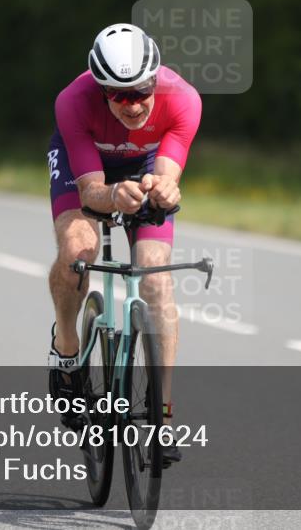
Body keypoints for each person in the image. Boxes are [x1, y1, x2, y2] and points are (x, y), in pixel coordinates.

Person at [47, 23, 202, 467]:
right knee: (78, 250)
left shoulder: (184, 100)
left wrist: (165, 190)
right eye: (118, 94)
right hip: (88, 163)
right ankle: (66, 349)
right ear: (100, 88)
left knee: (155, 274)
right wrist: (112, 196)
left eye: (141, 90)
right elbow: (92, 191)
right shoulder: (73, 102)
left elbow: (169, 177)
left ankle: (163, 414)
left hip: (148, 159)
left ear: (156, 78)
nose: (133, 104)